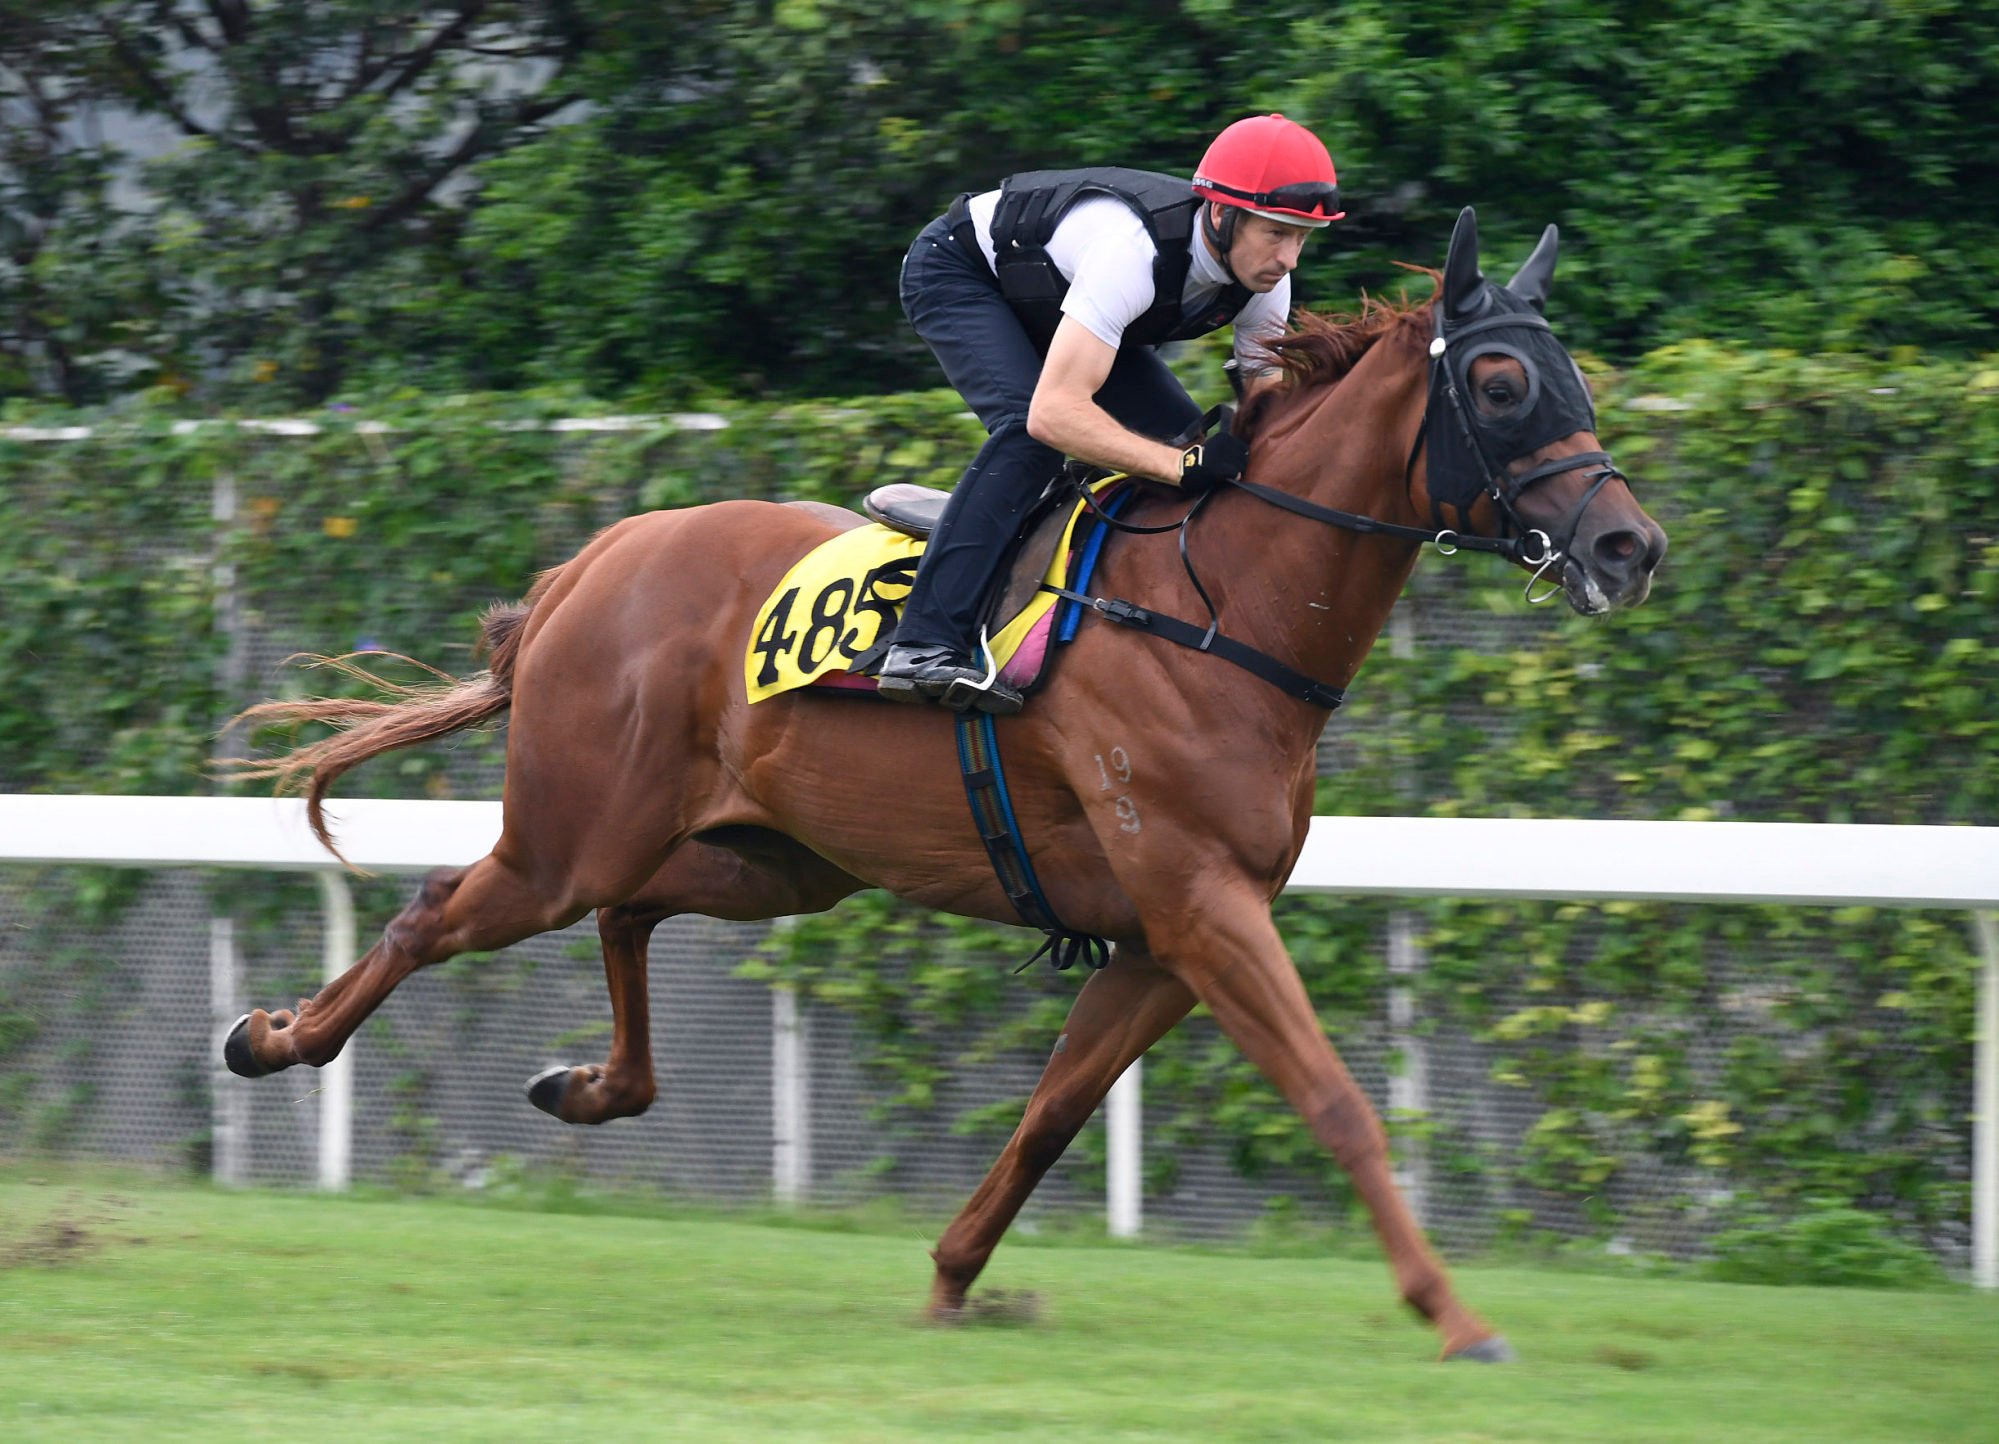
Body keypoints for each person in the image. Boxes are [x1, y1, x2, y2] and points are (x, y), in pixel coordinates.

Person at [877, 112, 1345, 713]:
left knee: (1185, 439)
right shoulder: (1130, 250)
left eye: (1302, 237)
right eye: (1276, 234)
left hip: (1057, 299)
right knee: (1030, 434)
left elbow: (1267, 408)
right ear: (1224, 216)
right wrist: (1180, 466)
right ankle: (923, 644)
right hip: (963, 274)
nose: (1290, 259)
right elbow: (1054, 415)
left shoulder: (1264, 281)